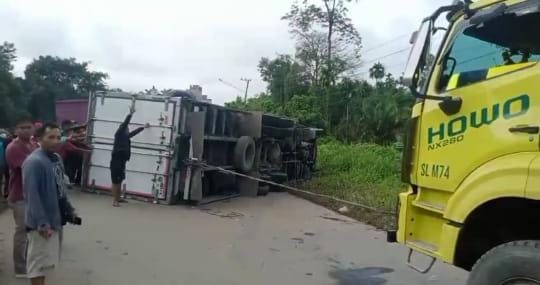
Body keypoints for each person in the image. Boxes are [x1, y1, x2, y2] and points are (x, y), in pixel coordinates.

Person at [23, 122, 77, 285]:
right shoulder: (34, 162)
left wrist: (68, 209)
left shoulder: (56, 159)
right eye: (50, 137)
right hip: (41, 224)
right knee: (38, 265)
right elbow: (32, 196)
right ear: (39, 139)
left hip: (55, 218)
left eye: (58, 137)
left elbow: (60, 188)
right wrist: (42, 223)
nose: (56, 141)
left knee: (47, 263)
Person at [5, 116, 37, 278]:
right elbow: (29, 168)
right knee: (22, 232)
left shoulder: (31, 144)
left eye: (28, 127)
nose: (25, 130)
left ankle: (28, 261)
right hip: (19, 195)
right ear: (16, 130)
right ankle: (20, 268)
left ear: (33, 129)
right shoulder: (14, 148)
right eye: (22, 127)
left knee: (30, 231)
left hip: (31, 195)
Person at [110, 108, 149, 207]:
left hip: (122, 161)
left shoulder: (125, 137)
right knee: (116, 181)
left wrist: (143, 127)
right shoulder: (119, 134)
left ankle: (118, 198)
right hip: (116, 160)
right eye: (127, 129)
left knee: (120, 179)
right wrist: (130, 114)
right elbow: (125, 124)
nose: (128, 130)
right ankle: (115, 201)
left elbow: (134, 133)